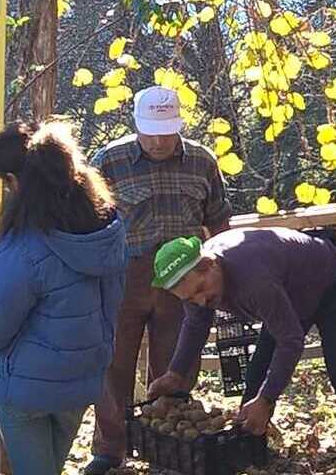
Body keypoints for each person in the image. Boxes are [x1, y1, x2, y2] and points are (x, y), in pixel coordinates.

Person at [0, 121, 127, 475]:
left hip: (25, 389)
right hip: (82, 379)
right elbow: (113, 302)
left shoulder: (23, 245)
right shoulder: (108, 231)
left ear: (15, 182)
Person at [147, 228, 336, 475]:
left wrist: (267, 399)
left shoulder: (253, 280)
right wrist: (175, 374)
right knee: (256, 376)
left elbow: (290, 341)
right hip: (288, 296)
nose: (201, 301)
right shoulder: (196, 285)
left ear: (210, 264)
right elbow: (196, 324)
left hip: (335, 284)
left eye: (201, 289)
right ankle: (249, 456)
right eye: (190, 299)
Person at [86, 85, 232, 475]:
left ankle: (168, 448)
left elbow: (219, 220)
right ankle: (110, 449)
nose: (157, 142)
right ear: (136, 125)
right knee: (114, 365)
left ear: (178, 126)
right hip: (124, 276)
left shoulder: (202, 161)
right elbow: (88, 222)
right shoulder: (110, 160)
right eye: (150, 133)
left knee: (175, 367)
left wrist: (220, 273)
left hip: (184, 281)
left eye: (165, 133)